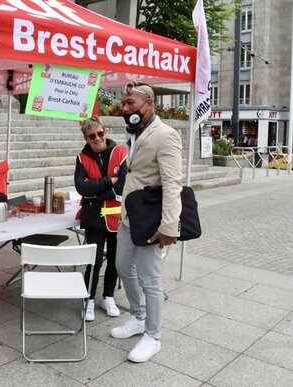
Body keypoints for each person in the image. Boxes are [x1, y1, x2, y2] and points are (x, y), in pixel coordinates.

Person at [111, 81, 182, 363]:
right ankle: (138, 318)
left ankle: (153, 336)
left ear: (149, 104)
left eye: (130, 103)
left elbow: (172, 183)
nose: (124, 108)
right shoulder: (135, 133)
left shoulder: (165, 135)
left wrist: (168, 227)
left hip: (153, 222)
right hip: (129, 218)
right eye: (124, 103)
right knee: (121, 267)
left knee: (149, 279)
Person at [74, 116, 127, 321]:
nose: (97, 138)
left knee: (115, 261)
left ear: (106, 131)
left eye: (100, 133)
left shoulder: (121, 152)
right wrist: (108, 181)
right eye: (92, 136)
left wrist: (97, 193)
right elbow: (81, 187)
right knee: (93, 262)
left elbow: (123, 184)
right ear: (86, 138)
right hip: (93, 219)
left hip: (116, 218)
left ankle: (108, 297)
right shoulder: (81, 157)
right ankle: (88, 300)